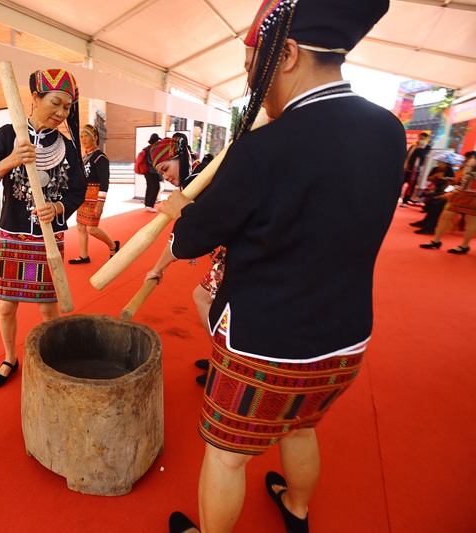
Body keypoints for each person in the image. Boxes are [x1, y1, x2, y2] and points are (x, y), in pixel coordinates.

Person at [159, 1, 405, 532]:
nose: (254, 87)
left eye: (255, 71)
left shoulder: (263, 148)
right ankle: (296, 509)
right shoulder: (389, 132)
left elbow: (189, 241)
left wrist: (180, 210)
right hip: (344, 339)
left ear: (287, 54)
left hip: (264, 343)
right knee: (299, 427)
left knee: (228, 455)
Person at [0, 69, 86, 388]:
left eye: (67, 108)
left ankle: (54, 358)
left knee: (48, 309)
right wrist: (10, 160)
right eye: (56, 103)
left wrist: (58, 207)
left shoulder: (65, 146)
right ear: (35, 99)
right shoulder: (8, 137)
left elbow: (78, 189)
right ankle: (10, 357)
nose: (62, 113)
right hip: (15, 235)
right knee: (7, 306)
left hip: (48, 239)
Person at [145, 136, 224, 386]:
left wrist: (158, 268)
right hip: (231, 255)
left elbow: (190, 231)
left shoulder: (201, 180)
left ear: (181, 156)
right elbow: (184, 231)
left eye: (166, 168)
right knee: (205, 298)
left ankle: (227, 364)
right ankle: (223, 359)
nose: (165, 176)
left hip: (244, 256)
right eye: (160, 173)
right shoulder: (196, 180)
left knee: (206, 299)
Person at [68, 124, 120, 264]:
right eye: (81, 136)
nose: (83, 139)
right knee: (80, 226)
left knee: (91, 228)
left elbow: (104, 181)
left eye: (86, 136)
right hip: (84, 197)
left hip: (94, 197)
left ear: (95, 138)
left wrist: (100, 202)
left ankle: (113, 245)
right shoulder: (85, 156)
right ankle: (84, 255)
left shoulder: (100, 157)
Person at [420, 151, 476, 254]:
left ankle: (464, 245)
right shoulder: (470, 162)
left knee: (470, 219)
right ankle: (436, 240)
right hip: (463, 192)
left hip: (469, 193)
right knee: (448, 215)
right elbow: (464, 179)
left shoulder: (471, 161)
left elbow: (466, 179)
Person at [411, 162, 455, 234]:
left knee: (437, 200)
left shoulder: (450, 170)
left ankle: (430, 225)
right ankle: (426, 221)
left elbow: (452, 183)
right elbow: (429, 179)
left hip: (445, 191)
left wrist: (443, 178)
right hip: (439, 188)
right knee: (429, 196)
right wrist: (434, 177)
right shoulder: (435, 168)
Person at [400, 132, 431, 207]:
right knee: (400, 182)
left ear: (426, 139)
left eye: (423, 138)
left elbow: (422, 155)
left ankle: (405, 200)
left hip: (415, 170)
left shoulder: (427, 147)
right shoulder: (413, 146)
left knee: (411, 185)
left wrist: (420, 147)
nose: (420, 139)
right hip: (407, 167)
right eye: (420, 138)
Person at [143, 133, 163, 212]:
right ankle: (150, 205)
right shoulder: (153, 149)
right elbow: (152, 161)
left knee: (149, 187)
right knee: (155, 187)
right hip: (153, 171)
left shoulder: (147, 148)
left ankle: (147, 204)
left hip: (147, 171)